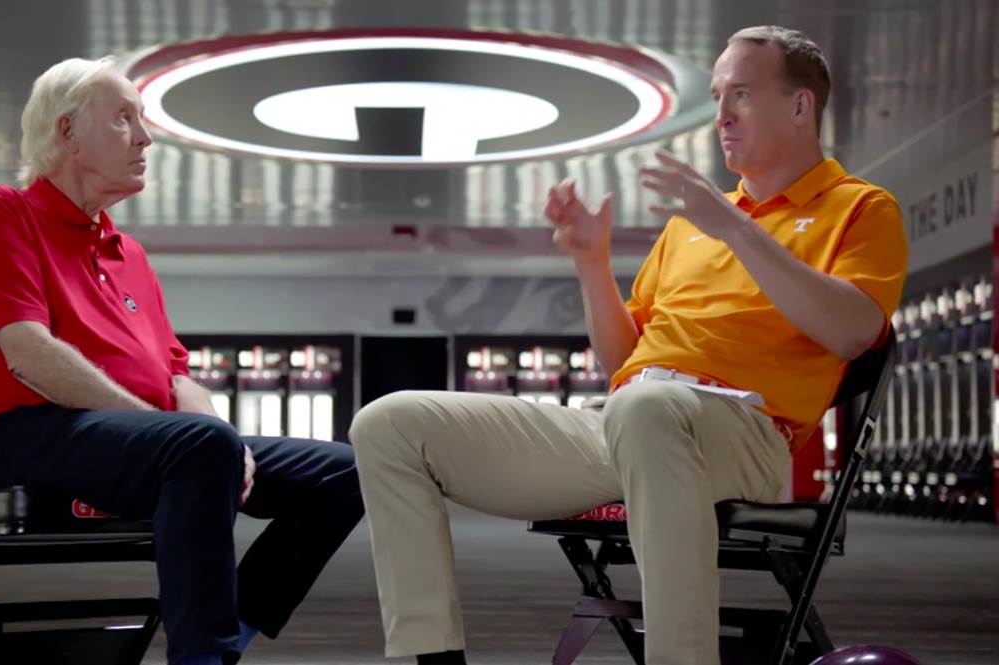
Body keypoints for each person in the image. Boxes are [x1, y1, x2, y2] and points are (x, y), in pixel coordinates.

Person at [349, 25, 907, 665]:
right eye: (718, 96)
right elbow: (623, 362)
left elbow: (852, 331)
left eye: (743, 94)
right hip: (626, 422)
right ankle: (435, 658)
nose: (722, 115)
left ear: (801, 105)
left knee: (646, 411)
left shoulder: (861, 209)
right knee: (389, 424)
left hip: (747, 433)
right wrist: (591, 260)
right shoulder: (690, 227)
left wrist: (734, 227)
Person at [0, 56, 364, 665]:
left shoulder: (127, 252)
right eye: (123, 119)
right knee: (199, 447)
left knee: (347, 471)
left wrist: (218, 435)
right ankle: (201, 657)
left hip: (151, 443)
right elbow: (30, 357)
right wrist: (182, 432)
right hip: (27, 433)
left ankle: (230, 633)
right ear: (67, 132)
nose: (146, 138)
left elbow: (175, 374)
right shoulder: (1, 213)